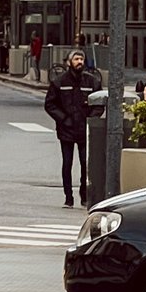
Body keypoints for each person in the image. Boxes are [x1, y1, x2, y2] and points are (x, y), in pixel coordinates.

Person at [44, 49, 103, 209]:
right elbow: (50, 104)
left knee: (85, 163)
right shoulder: (59, 82)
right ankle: (68, 198)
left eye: (81, 59)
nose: (79, 62)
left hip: (84, 129)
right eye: (76, 59)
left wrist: (90, 119)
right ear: (69, 62)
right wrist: (64, 119)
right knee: (67, 163)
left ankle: (84, 196)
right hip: (66, 130)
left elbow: (99, 103)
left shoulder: (92, 82)